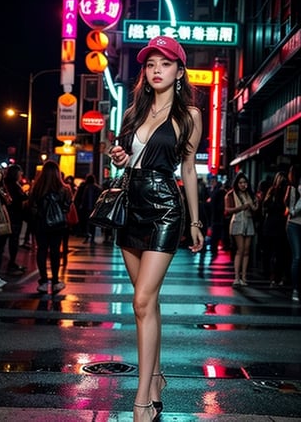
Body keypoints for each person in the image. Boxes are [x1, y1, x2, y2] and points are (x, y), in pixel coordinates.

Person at [109, 36, 204, 421]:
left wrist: (195, 222)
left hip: (165, 207)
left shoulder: (190, 116)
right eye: (150, 65)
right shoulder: (132, 112)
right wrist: (117, 156)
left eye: (165, 64)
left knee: (141, 301)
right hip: (130, 205)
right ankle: (157, 375)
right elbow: (122, 159)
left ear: (179, 71)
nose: (156, 70)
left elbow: (187, 169)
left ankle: (142, 400)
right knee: (146, 302)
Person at [28, 160, 72, 293]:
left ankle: (43, 281)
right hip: (58, 226)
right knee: (54, 252)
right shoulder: (65, 189)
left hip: (41, 225)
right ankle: (55, 281)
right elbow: (67, 208)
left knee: (41, 251)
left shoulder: (37, 188)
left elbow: (32, 207)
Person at [224, 172, 258, 287]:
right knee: (241, 249)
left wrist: (256, 204)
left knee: (247, 250)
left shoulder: (250, 194)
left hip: (248, 222)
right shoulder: (231, 194)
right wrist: (241, 208)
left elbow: (255, 209)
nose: (243, 185)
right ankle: (237, 277)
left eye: (245, 182)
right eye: (241, 183)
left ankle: (244, 277)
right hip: (237, 222)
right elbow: (227, 210)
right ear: (237, 183)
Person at [262, 171, 289, 287]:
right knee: (276, 252)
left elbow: (266, 206)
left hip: (275, 225)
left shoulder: (277, 191)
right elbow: (267, 205)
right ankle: (274, 276)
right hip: (276, 225)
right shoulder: (275, 191)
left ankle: (274, 276)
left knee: (276, 252)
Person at [4, 164, 29, 275]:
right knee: (13, 241)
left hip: (12, 216)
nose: (21, 174)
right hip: (14, 216)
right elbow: (20, 198)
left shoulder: (9, 185)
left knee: (11, 241)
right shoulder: (13, 186)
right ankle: (11, 264)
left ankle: (12, 263)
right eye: (20, 173)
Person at [284, 164, 301, 302]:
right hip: (294, 224)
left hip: (294, 223)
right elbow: (290, 209)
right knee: (297, 256)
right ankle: (295, 289)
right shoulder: (292, 188)